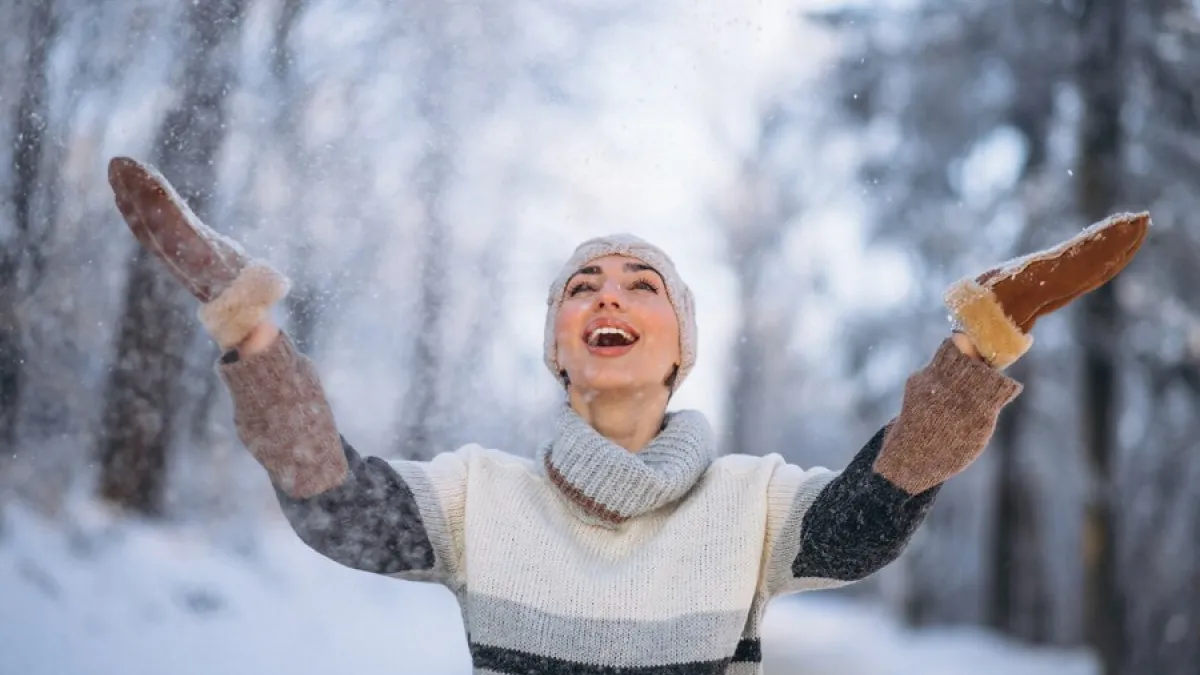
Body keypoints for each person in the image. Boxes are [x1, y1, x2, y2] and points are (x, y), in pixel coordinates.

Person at [106, 156, 1148, 674]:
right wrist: (250, 331)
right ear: (558, 346)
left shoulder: (753, 503)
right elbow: (331, 501)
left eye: (642, 282)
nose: (609, 295)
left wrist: (976, 347)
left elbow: (874, 513)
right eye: (582, 286)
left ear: (681, 346)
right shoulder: (476, 496)